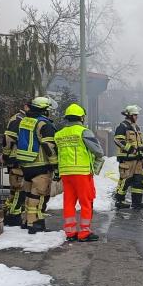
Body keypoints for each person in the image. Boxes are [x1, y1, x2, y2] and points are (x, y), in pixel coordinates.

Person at [55, 103, 104, 242]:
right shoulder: (83, 131)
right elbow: (98, 151)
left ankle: (70, 233)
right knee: (86, 202)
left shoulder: (59, 134)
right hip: (81, 172)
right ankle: (84, 233)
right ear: (81, 117)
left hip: (65, 172)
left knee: (69, 202)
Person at [16, 97, 58, 234]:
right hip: (40, 164)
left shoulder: (25, 121)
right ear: (44, 111)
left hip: (25, 164)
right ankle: (35, 223)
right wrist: (55, 163)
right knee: (39, 195)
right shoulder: (43, 124)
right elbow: (49, 145)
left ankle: (26, 221)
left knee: (28, 194)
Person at [0, 104, 28, 227]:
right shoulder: (18, 120)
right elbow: (9, 138)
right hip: (16, 159)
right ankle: (12, 216)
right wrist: (5, 156)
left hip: (19, 159)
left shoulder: (23, 119)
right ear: (26, 106)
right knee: (18, 189)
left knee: (17, 190)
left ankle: (12, 213)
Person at [114, 105, 143, 210]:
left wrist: (141, 149)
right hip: (127, 159)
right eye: (135, 115)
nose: (137, 117)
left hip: (137, 159)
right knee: (125, 180)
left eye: (137, 115)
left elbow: (139, 142)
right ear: (129, 115)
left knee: (138, 181)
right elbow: (118, 140)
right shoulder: (122, 126)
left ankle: (137, 202)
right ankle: (119, 201)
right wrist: (131, 149)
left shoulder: (136, 127)